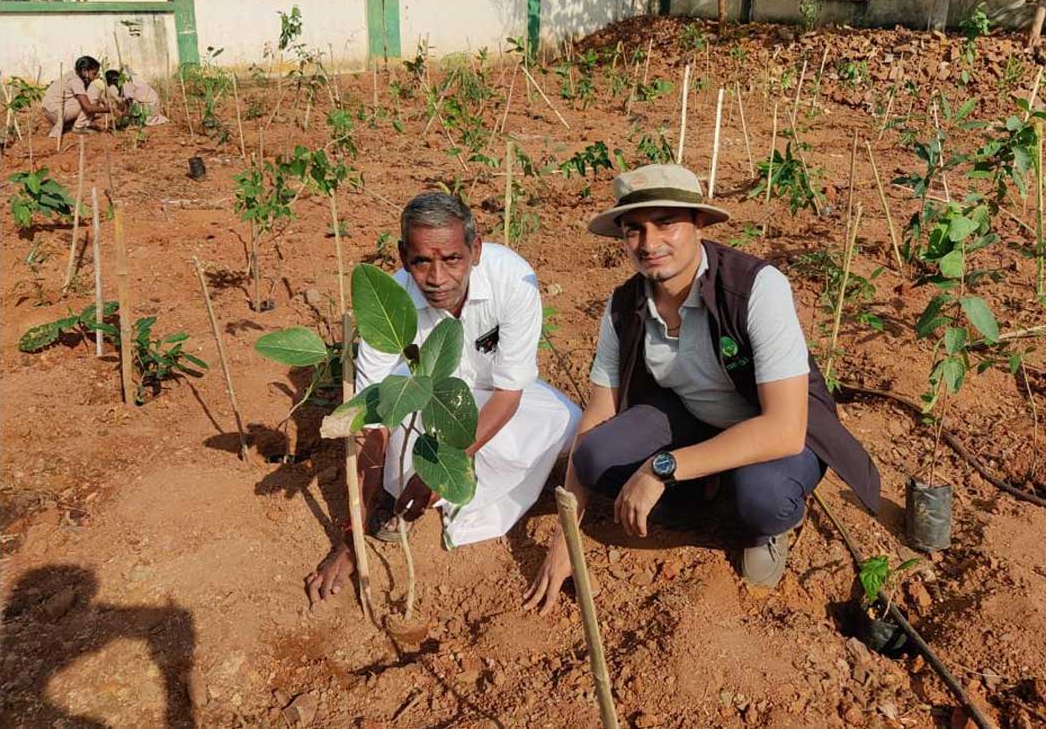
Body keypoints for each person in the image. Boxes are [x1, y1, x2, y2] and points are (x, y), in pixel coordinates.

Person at [523, 164, 882, 614]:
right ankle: (700, 493)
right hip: (693, 416)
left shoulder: (755, 288)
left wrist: (661, 468)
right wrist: (566, 540)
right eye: (634, 229)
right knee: (596, 455)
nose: (649, 243)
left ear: (699, 224)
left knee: (763, 498)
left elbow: (784, 429)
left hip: (774, 426)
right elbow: (596, 417)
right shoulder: (624, 307)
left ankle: (767, 528)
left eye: (666, 223)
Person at [306, 192, 582, 604]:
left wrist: (440, 471)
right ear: (402, 256)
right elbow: (372, 419)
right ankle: (408, 493)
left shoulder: (513, 280)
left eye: (452, 259)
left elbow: (508, 395)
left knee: (566, 423)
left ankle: (444, 488)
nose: (437, 278)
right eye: (421, 261)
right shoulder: (388, 304)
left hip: (491, 395)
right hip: (421, 403)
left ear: (476, 249)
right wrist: (353, 536)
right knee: (398, 453)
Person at [41, 56, 114, 137]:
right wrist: (107, 109)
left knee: (95, 107)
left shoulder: (72, 74)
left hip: (51, 111)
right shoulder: (76, 81)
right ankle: (79, 127)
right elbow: (88, 107)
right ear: (84, 71)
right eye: (94, 73)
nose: (95, 77)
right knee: (92, 103)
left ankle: (71, 124)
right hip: (57, 113)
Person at [104, 69, 169, 126]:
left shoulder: (126, 84)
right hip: (149, 101)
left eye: (111, 84)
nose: (112, 86)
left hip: (150, 103)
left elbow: (128, 102)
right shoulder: (126, 79)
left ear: (114, 81)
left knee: (142, 120)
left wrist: (122, 114)